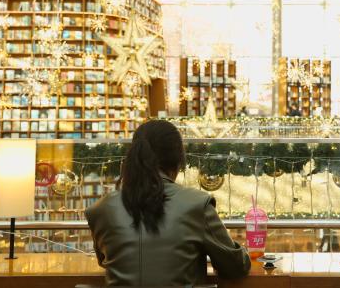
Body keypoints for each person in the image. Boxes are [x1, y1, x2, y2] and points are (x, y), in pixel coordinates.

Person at [85, 120, 250, 286]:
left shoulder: (101, 209)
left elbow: (105, 260)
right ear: (178, 161)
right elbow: (234, 267)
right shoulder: (197, 205)